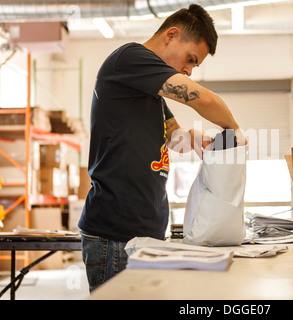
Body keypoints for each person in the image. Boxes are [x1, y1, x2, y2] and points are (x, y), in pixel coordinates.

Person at [78, 4, 245, 292]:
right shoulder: (130, 59)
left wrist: (191, 136)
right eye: (190, 59)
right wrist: (234, 129)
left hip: (142, 234)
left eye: (194, 66)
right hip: (117, 236)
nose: (188, 71)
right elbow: (202, 100)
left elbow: (173, 138)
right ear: (171, 35)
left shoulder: (147, 89)